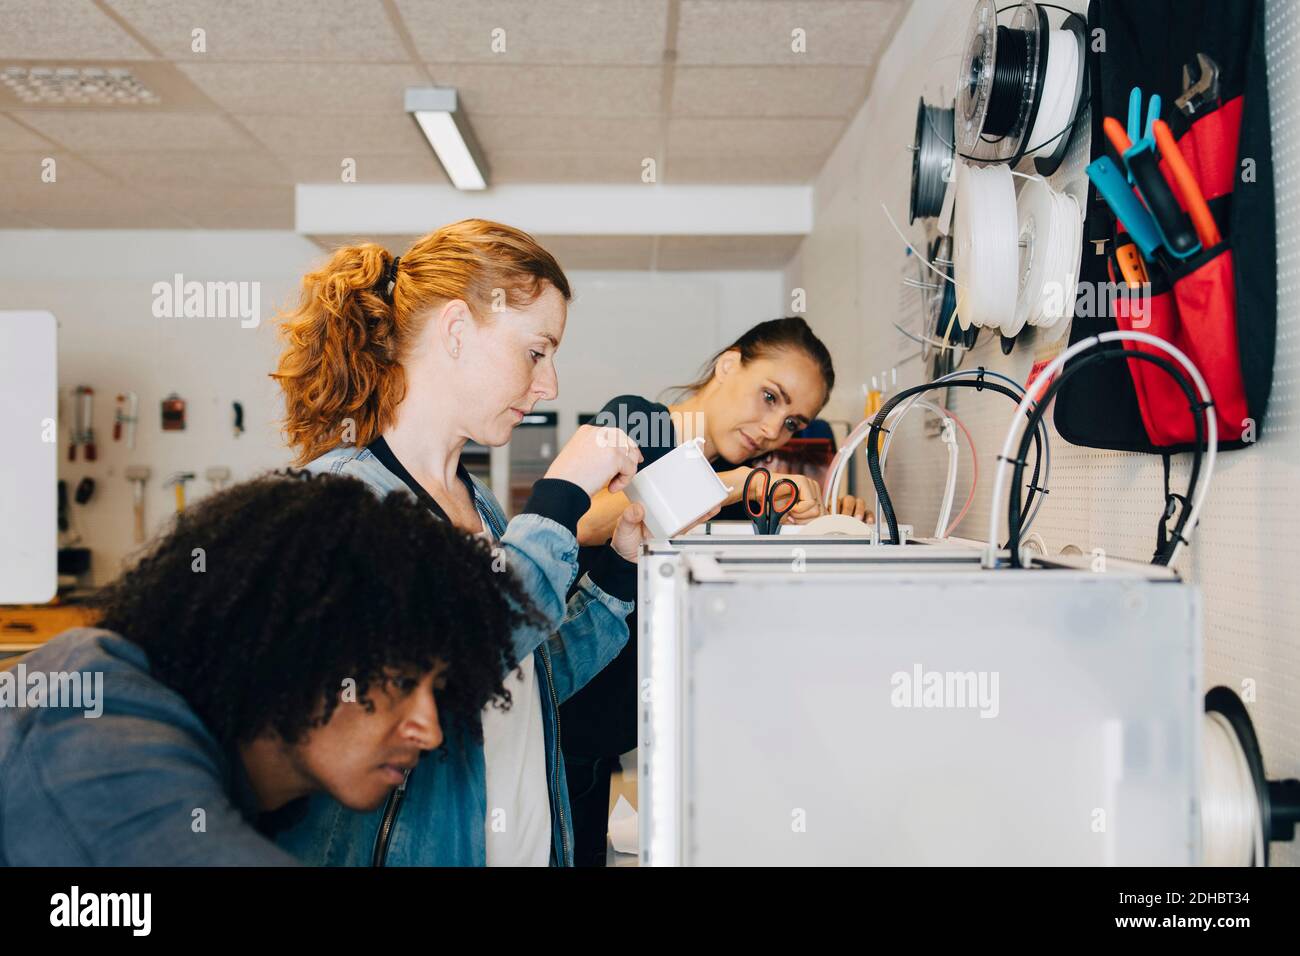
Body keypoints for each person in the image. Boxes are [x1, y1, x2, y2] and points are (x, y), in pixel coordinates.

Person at [271, 218, 647, 866]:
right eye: (536, 351)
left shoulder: (479, 507)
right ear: (454, 331)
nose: (549, 384)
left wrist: (618, 571)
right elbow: (438, 673)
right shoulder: (337, 502)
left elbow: (527, 678)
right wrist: (559, 502)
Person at [0, 472, 531, 866]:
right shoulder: (95, 729)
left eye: (436, 689)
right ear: (293, 644)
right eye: (398, 682)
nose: (430, 731)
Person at [563, 316, 860, 865]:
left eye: (793, 420)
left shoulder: (723, 477)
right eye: (769, 397)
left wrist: (836, 520)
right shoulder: (640, 423)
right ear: (728, 364)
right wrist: (731, 486)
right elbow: (582, 520)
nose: (774, 430)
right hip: (561, 730)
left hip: (604, 740)